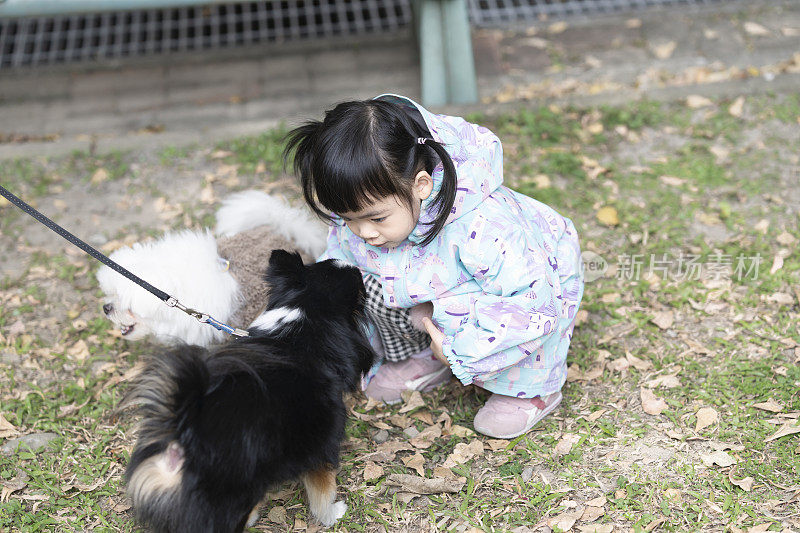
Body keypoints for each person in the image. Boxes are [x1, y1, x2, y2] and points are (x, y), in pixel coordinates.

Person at [284, 94, 584, 439]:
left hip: (534, 285)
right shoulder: (368, 220)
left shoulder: (486, 228)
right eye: (349, 218)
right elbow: (340, 262)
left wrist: (463, 350)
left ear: (422, 184)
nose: (364, 232)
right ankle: (425, 353)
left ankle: (532, 388)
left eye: (376, 217)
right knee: (364, 282)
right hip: (437, 286)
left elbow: (530, 301)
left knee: (492, 315)